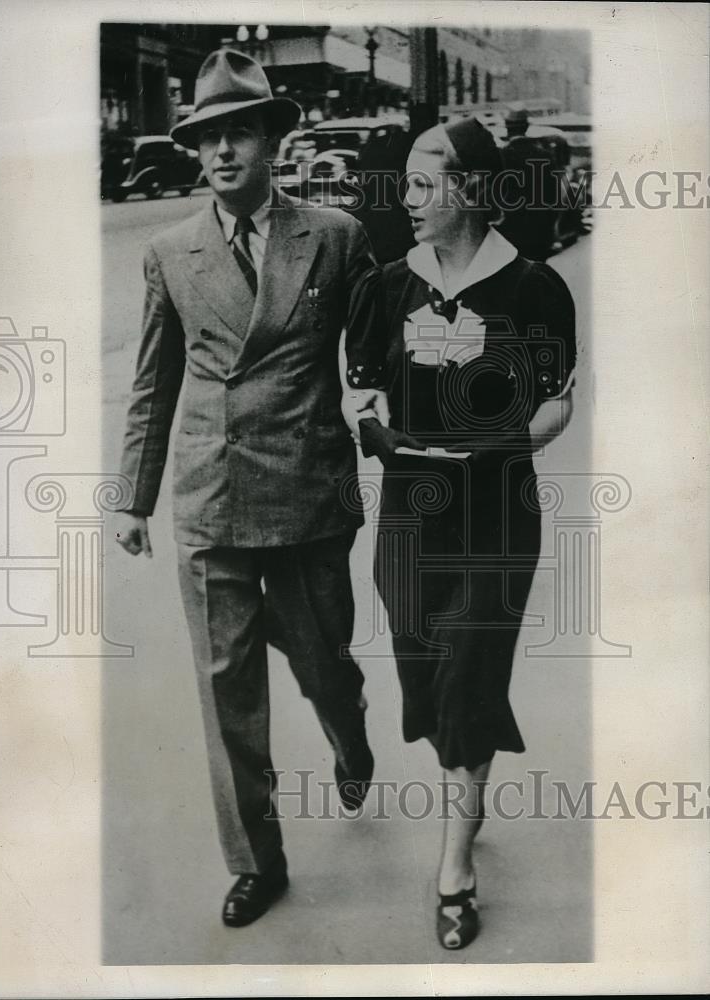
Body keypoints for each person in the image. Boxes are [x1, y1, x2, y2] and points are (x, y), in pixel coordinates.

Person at [115, 48, 376, 929]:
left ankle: (350, 732)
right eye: (208, 137)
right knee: (226, 690)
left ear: (273, 139)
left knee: (322, 664)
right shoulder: (169, 250)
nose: (223, 152)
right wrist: (131, 499)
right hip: (210, 496)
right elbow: (152, 384)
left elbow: (377, 355)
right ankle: (257, 860)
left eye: (240, 133)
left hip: (307, 492)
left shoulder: (335, 236)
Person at [343, 116, 576, 949]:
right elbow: (361, 389)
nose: (403, 199)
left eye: (420, 183)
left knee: (470, 674)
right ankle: (465, 772)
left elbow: (558, 399)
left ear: (470, 190)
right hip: (409, 518)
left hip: (496, 517)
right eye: (404, 183)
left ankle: (455, 867)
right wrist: (369, 421)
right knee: (427, 675)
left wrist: (504, 445)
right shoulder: (386, 286)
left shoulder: (533, 288)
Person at [498, 103, 560, 261]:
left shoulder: (501, 157)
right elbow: (555, 198)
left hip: (509, 232)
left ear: (507, 127)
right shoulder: (545, 156)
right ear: (526, 127)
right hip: (539, 232)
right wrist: (550, 227)